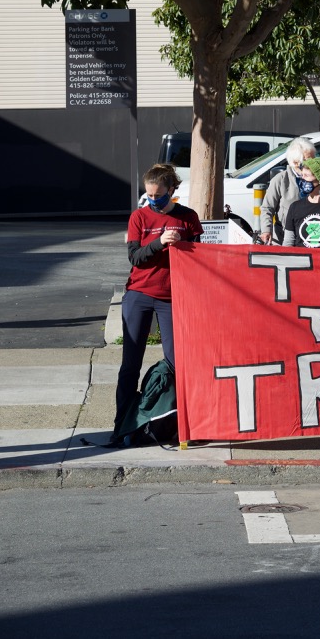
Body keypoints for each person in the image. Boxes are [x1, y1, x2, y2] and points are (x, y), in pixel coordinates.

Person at [111, 162, 202, 441]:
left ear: (173, 190)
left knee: (177, 362)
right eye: (149, 195)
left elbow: (200, 256)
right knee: (130, 364)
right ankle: (122, 425)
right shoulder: (139, 217)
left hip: (173, 296)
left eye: (159, 195)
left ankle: (182, 425)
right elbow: (135, 257)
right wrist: (160, 242)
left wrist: (183, 245)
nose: (153, 200)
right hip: (140, 293)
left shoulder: (188, 217)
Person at [259, 137, 317, 244]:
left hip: (312, 235)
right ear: (295, 163)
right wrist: (266, 230)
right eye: (309, 160)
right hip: (284, 237)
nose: (313, 163)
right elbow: (267, 207)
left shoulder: (318, 178)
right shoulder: (280, 180)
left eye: (314, 158)